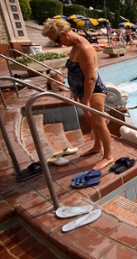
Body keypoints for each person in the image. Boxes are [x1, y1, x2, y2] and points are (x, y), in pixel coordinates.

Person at [42, 18, 113, 170]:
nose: (59, 44)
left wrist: (86, 100)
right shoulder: (75, 46)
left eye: (56, 39)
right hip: (83, 93)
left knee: (100, 124)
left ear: (64, 33)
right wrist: (75, 92)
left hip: (94, 92)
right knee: (92, 122)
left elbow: (91, 78)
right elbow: (77, 73)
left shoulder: (84, 49)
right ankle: (97, 146)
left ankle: (108, 156)